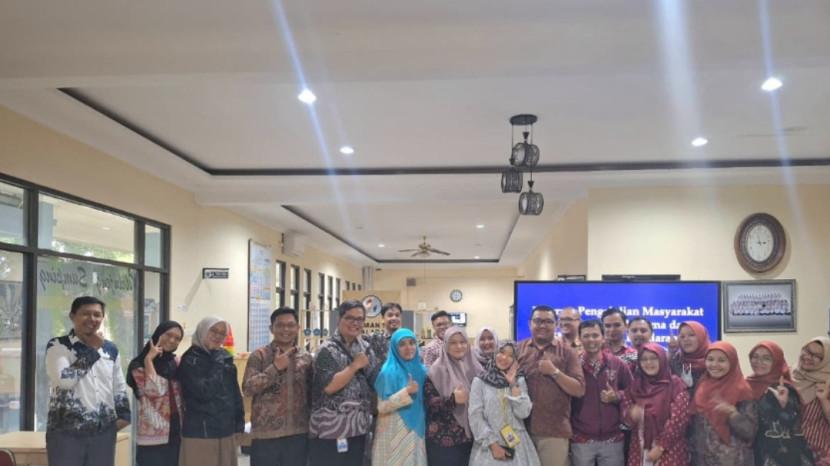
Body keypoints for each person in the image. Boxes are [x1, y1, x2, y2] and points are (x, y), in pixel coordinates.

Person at [45, 296, 131, 466]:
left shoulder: (110, 349)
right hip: (66, 433)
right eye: (85, 314)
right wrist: (93, 350)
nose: (92, 319)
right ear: (72, 316)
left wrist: (124, 416)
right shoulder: (58, 345)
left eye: (97, 315)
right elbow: (65, 380)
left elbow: (118, 385)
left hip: (103, 433)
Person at [309, 300, 379, 466]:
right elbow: (329, 387)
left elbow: (375, 380)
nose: (355, 323)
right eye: (350, 318)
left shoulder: (365, 348)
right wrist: (355, 366)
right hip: (330, 429)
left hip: (358, 427)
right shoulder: (326, 349)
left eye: (359, 319)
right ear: (339, 319)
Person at [242, 307, 313, 466]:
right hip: (265, 436)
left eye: (290, 325)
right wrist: (274, 368)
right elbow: (247, 388)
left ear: (298, 328)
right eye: (280, 325)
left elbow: (312, 394)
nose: (285, 329)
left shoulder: (306, 358)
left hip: (298, 434)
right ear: (271, 328)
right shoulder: (259, 356)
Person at [516, 305, 585, 466]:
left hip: (554, 432)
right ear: (530, 323)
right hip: (521, 430)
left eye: (548, 321)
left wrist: (555, 372)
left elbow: (579, 389)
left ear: (556, 324)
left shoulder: (567, 352)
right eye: (538, 321)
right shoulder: (518, 349)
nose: (542, 325)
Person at [179, 316, 244, 466]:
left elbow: (234, 393)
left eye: (222, 333)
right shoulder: (190, 360)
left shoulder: (225, 357)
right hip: (201, 433)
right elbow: (204, 392)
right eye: (213, 331)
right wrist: (217, 362)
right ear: (203, 330)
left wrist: (239, 424)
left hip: (226, 431)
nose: (217, 336)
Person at [570, 320, 632, 466]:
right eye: (586, 336)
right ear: (579, 339)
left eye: (595, 335)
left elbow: (632, 392)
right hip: (581, 438)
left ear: (603, 337)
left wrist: (617, 396)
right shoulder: (573, 366)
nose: (591, 340)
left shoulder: (617, 364)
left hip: (612, 438)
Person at [468, 341, 540, 466]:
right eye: (501, 352)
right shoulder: (480, 381)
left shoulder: (519, 380)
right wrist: (493, 444)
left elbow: (523, 413)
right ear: (495, 353)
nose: (504, 358)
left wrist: (513, 385)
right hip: (490, 445)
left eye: (510, 355)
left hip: (518, 445)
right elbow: (475, 416)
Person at [688, 341, 757, 466]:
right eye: (710, 359)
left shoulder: (742, 389)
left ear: (732, 361)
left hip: (732, 460)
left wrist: (733, 413)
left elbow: (750, 432)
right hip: (701, 459)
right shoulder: (702, 384)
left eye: (721, 360)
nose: (714, 365)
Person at [746, 341, 814, 466]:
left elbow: (795, 426)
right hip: (754, 453)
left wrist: (784, 405)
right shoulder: (746, 384)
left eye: (766, 358)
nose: (759, 361)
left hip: (782, 455)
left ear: (776, 361)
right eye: (755, 357)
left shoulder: (784, 388)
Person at [126, 320, 185, 466]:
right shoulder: (138, 365)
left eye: (177, 338)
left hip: (176, 431)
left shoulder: (175, 362)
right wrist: (149, 360)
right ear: (158, 334)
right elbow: (156, 391)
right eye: (168, 335)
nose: (172, 340)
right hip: (153, 433)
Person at [622, 343, 690, 466]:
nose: (649, 363)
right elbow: (626, 416)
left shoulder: (676, 385)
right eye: (644, 359)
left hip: (669, 450)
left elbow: (678, 420)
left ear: (662, 359)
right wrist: (631, 415)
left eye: (654, 358)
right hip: (639, 450)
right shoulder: (635, 386)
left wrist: (661, 447)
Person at [424, 326, 482, 466]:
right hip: (445, 441)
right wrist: (452, 400)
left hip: (474, 437)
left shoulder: (477, 368)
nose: (459, 346)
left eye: (462, 342)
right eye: (453, 342)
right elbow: (429, 404)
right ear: (445, 345)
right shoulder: (436, 370)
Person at [371, 328, 427, 465]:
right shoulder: (387, 372)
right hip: (393, 431)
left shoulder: (422, 370)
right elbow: (382, 407)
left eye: (412, 343)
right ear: (394, 348)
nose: (408, 348)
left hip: (416, 430)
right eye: (402, 344)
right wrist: (406, 392)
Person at [793, 337, 830, 465]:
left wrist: (823, 399)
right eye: (807, 351)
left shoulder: (827, 382)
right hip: (789, 451)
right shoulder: (789, 375)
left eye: (816, 356)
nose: (808, 357)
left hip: (818, 453)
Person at [669, 320, 711, 396]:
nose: (686, 339)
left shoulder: (713, 361)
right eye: (682, 337)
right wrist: (671, 354)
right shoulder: (676, 361)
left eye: (691, 335)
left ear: (701, 336)